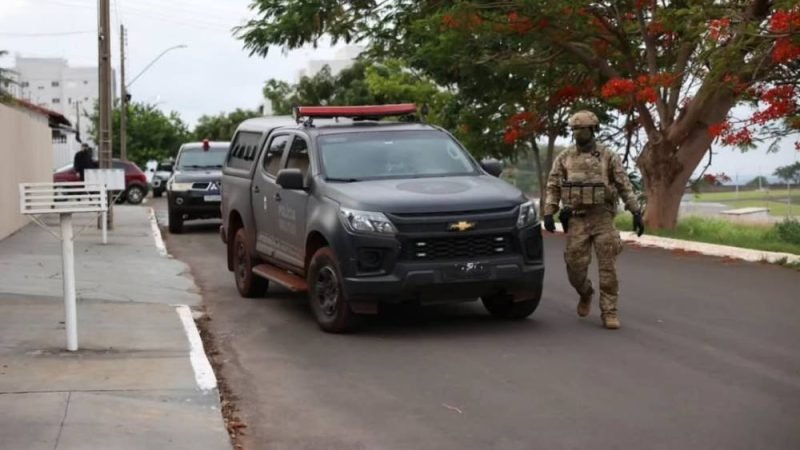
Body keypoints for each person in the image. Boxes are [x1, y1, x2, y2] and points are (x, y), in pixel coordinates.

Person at [542, 110, 645, 330]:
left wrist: (636, 212)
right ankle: (585, 292)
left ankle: (609, 311)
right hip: (577, 220)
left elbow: (623, 185)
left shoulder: (608, 156)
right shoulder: (565, 158)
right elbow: (553, 185)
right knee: (574, 268)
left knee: (608, 268)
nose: (577, 132)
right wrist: (549, 212)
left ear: (593, 129)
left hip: (602, 218)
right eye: (574, 129)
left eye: (581, 128)